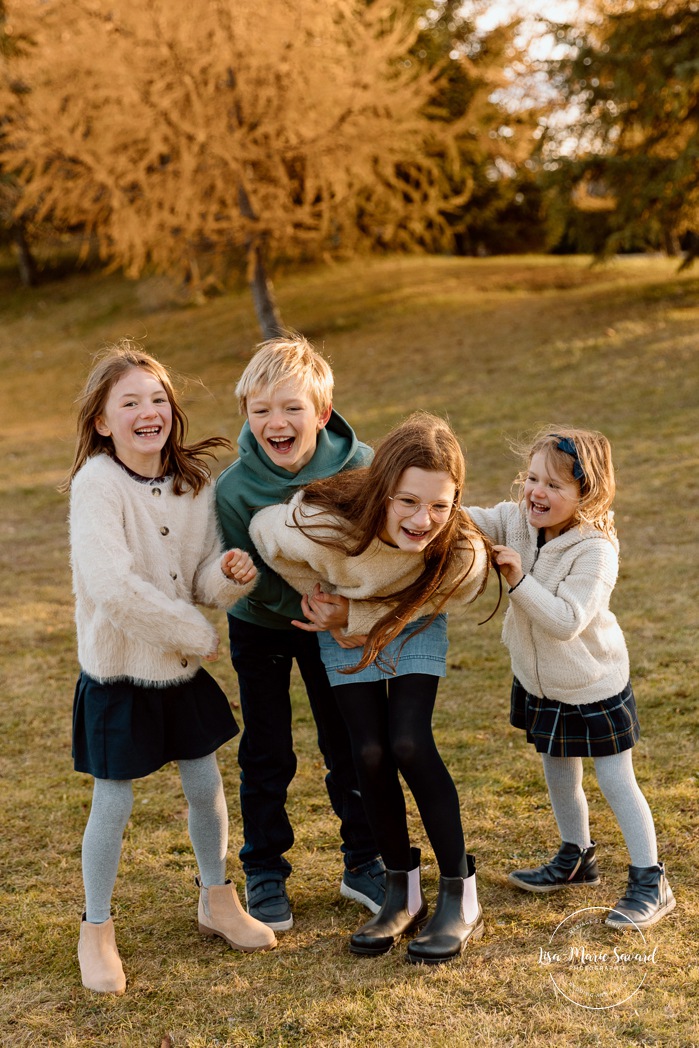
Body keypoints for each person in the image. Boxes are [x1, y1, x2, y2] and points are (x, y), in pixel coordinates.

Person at [64, 341, 276, 996]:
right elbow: (111, 586)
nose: (147, 411)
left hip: (180, 669)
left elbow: (204, 579)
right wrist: (190, 630)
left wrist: (228, 575)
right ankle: (95, 928)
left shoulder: (192, 484)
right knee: (114, 799)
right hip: (121, 671)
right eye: (129, 402)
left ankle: (216, 899)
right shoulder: (95, 485)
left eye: (157, 399)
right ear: (102, 421)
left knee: (204, 781)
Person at [250, 412, 493, 965]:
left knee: (408, 741)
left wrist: (357, 612)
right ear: (382, 489)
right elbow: (266, 533)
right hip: (341, 628)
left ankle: (461, 893)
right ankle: (401, 890)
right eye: (408, 501)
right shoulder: (324, 522)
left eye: (440, 504)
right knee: (369, 751)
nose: (423, 518)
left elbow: (461, 589)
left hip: (414, 618)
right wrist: (317, 598)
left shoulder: (457, 550)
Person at [468, 427, 675, 929]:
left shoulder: (596, 551)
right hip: (541, 685)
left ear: (588, 494)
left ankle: (652, 880)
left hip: (593, 685)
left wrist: (518, 579)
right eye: (532, 478)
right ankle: (577, 857)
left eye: (555, 485)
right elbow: (471, 518)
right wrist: (433, 508)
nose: (536, 492)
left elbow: (566, 621)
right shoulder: (517, 519)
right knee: (558, 772)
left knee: (615, 779)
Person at [215, 336, 383, 933]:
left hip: (334, 626)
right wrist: (263, 585)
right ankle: (264, 869)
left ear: (321, 413)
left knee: (348, 740)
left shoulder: (361, 466)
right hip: (260, 626)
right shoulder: (233, 488)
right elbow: (243, 571)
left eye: (290, 408)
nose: (275, 422)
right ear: (247, 417)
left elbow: (376, 549)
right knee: (267, 748)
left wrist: (341, 610)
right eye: (261, 411)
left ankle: (363, 860)